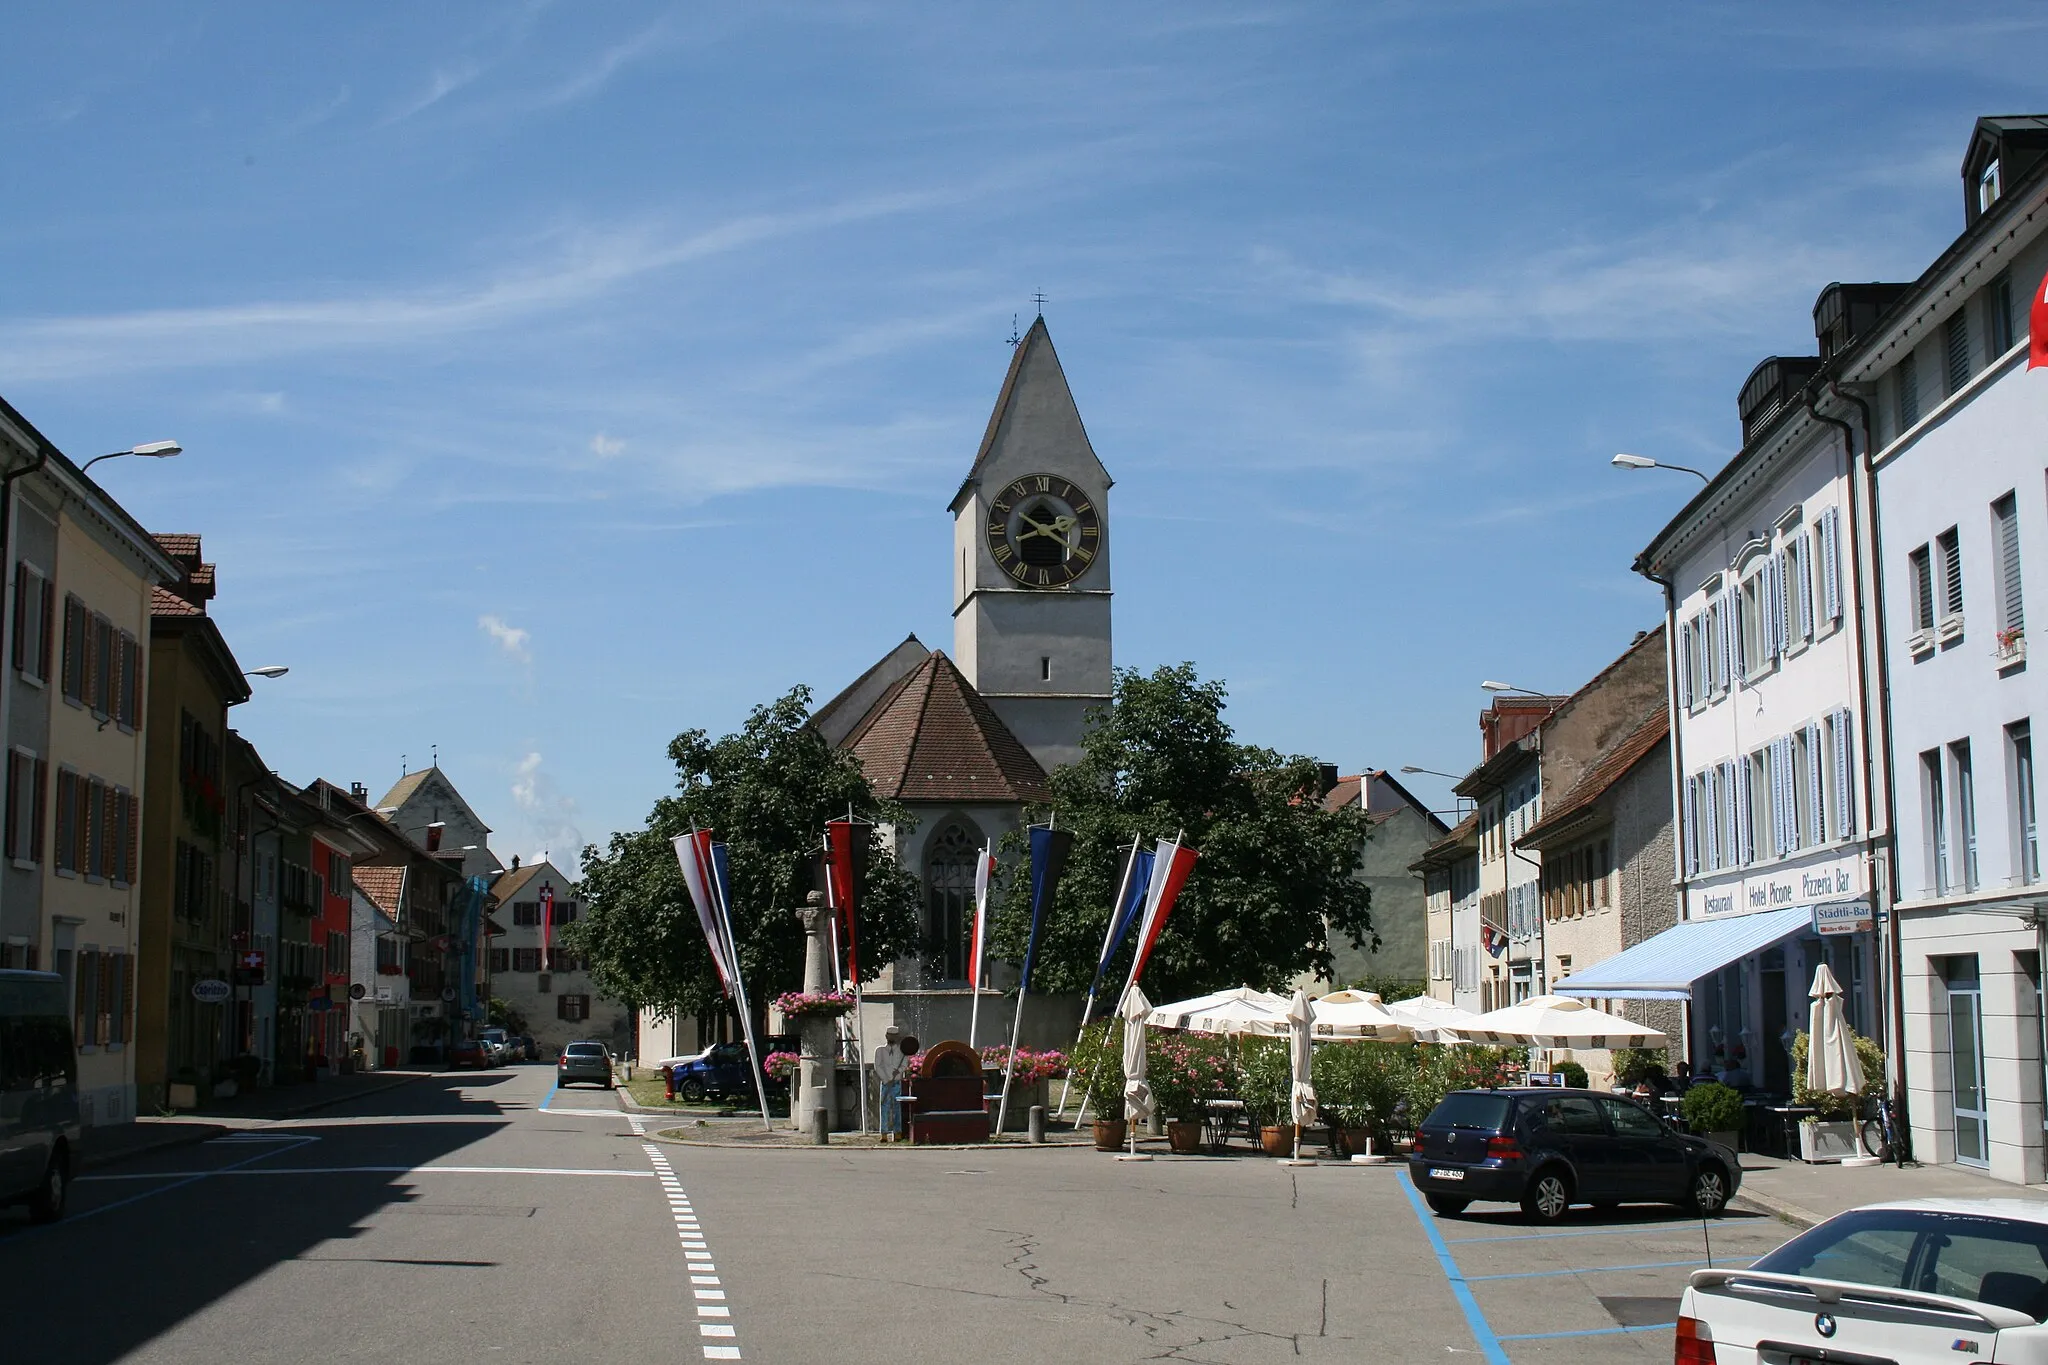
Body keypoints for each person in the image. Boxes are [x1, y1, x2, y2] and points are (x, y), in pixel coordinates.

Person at [874, 1026, 907, 1140]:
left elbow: (904, 1065)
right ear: (886, 1036)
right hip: (885, 1083)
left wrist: (897, 1073)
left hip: (897, 1083)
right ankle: (884, 1133)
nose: (892, 1037)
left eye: (894, 1035)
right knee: (884, 1107)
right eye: (890, 1035)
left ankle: (897, 1133)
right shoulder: (880, 1050)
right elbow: (877, 1066)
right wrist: (886, 1079)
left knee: (897, 1108)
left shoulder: (902, 1052)